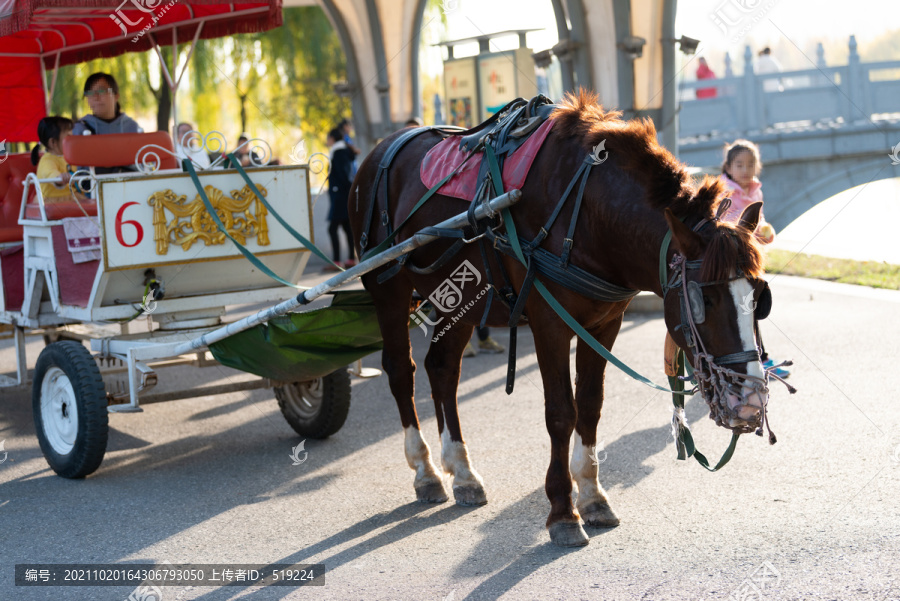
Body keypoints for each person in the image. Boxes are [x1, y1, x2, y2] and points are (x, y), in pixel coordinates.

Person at [718, 139, 788, 379]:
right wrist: (747, 232)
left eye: (750, 165)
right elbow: (722, 225)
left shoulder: (755, 190)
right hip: (732, 262)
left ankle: (757, 358)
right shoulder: (724, 191)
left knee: (753, 309)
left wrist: (765, 230)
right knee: (745, 311)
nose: (745, 170)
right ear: (728, 167)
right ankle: (759, 359)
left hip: (749, 260)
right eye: (739, 165)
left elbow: (760, 221)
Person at [30, 116, 87, 203]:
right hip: (52, 202)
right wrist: (60, 178)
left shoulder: (68, 157)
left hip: (71, 197)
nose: (72, 140)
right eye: (68, 137)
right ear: (53, 142)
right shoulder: (47, 160)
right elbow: (51, 173)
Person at [324, 127, 356, 271]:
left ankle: (337, 260)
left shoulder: (338, 153)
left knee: (333, 228)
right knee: (347, 227)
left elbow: (344, 175)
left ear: (332, 138)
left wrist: (339, 190)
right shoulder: (342, 152)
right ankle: (350, 258)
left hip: (340, 196)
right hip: (343, 194)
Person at [72, 73, 142, 136]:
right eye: (90, 93)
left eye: (101, 91)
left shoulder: (132, 128)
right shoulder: (79, 129)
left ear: (116, 96)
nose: (96, 97)